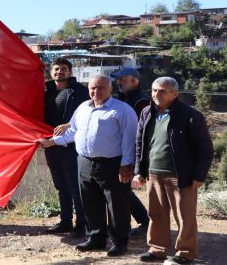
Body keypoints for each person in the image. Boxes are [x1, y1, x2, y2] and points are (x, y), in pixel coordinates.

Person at [37, 75, 138, 257]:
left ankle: (119, 242)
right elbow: (73, 132)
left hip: (112, 164)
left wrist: (126, 165)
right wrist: (52, 141)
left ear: (110, 89)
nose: (96, 91)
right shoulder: (83, 107)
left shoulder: (122, 110)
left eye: (100, 88)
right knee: (90, 202)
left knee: (116, 205)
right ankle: (96, 238)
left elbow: (129, 140)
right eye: (92, 88)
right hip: (84, 162)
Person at [133, 77, 214, 264]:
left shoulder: (190, 115)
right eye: (153, 90)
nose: (156, 95)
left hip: (181, 176)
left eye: (162, 91)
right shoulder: (147, 112)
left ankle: (185, 253)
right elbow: (139, 143)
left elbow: (205, 149)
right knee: (156, 214)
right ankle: (157, 249)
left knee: (184, 217)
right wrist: (140, 170)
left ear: (175, 93)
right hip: (154, 173)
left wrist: (199, 175)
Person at [42, 58, 89, 237]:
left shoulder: (80, 92)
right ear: (51, 72)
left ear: (70, 72)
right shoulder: (46, 91)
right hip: (51, 145)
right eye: (56, 69)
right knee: (61, 186)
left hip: (71, 146)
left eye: (63, 69)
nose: (59, 72)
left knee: (75, 186)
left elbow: (88, 113)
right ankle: (65, 221)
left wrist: (69, 125)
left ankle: (82, 224)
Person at [110, 67, 151, 238]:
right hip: (120, 149)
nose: (119, 82)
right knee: (122, 189)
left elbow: (142, 131)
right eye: (117, 79)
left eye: (122, 79)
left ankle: (142, 223)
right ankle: (131, 223)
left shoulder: (141, 101)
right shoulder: (124, 97)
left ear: (134, 80)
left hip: (132, 151)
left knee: (122, 189)